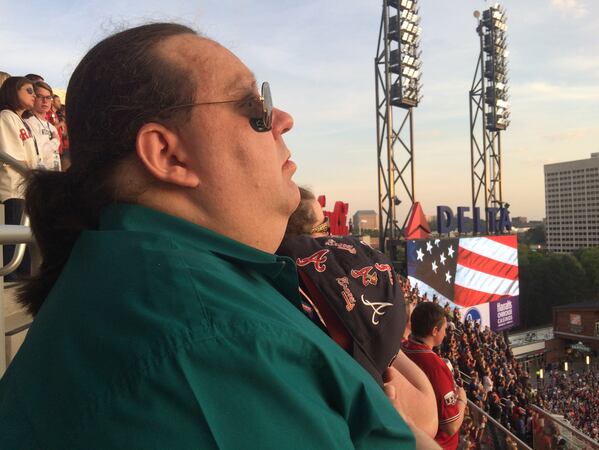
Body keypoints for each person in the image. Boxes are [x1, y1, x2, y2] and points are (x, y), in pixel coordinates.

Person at [0, 23, 431, 449]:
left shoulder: (143, 283)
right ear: (169, 154)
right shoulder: (214, 345)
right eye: (253, 108)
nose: (283, 119)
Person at [278, 186, 438, 438]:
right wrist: (396, 342)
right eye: (323, 228)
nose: (330, 235)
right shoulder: (322, 299)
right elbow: (428, 420)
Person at [402, 301, 468, 450]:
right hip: (436, 444)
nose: (445, 333)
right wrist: (463, 399)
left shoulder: (403, 348)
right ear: (434, 331)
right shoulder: (436, 367)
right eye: (444, 329)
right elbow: (451, 426)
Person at [0, 76, 38, 278]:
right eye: (29, 91)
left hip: (26, 187)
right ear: (13, 91)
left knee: (24, 247)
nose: (34, 95)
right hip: (14, 187)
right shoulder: (6, 116)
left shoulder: (21, 121)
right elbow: (11, 156)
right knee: (13, 247)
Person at [24, 81, 61, 171]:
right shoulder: (27, 123)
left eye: (48, 97)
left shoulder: (52, 127)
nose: (45, 101)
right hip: (40, 178)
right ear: (33, 98)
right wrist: (55, 141)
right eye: (40, 97)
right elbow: (37, 155)